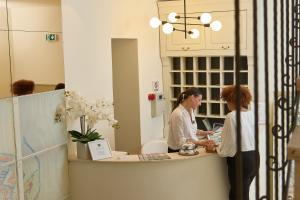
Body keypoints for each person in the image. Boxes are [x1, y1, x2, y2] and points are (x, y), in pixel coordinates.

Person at [206, 85, 259, 200]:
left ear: (232, 100)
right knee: (243, 194)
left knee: (237, 196)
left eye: (227, 101)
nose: (227, 104)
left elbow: (228, 146)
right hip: (255, 157)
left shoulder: (232, 116)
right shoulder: (251, 114)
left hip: (241, 160)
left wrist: (215, 148)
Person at [168, 87, 214, 153]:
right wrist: (200, 143)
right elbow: (180, 141)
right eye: (199, 100)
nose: (200, 104)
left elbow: (191, 130)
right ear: (192, 98)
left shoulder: (191, 110)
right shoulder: (178, 114)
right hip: (178, 151)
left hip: (191, 148)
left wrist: (204, 133)